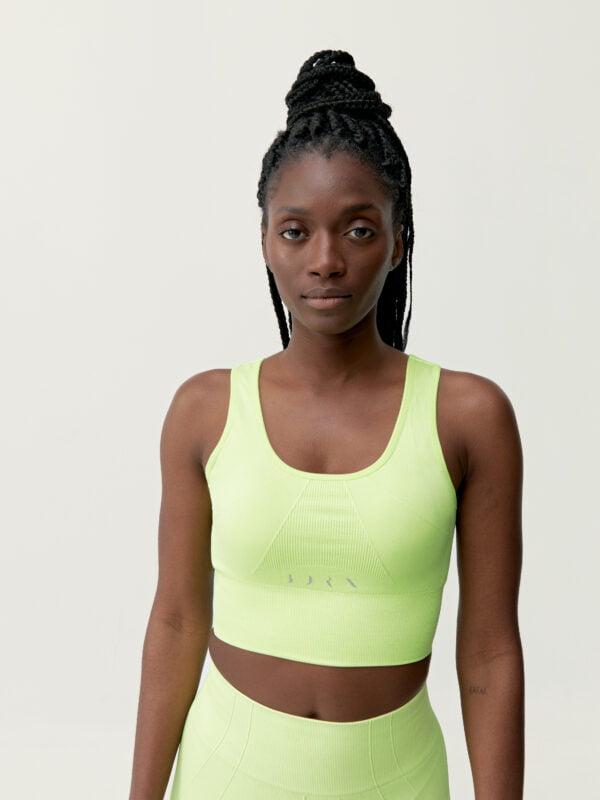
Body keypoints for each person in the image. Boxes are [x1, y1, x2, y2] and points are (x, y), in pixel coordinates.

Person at [128, 49, 525, 800]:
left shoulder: (468, 417)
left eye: (359, 230)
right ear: (264, 240)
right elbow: (176, 622)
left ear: (399, 240)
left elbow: (490, 652)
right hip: (224, 774)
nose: (326, 260)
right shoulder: (204, 411)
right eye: (295, 231)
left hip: (398, 778)